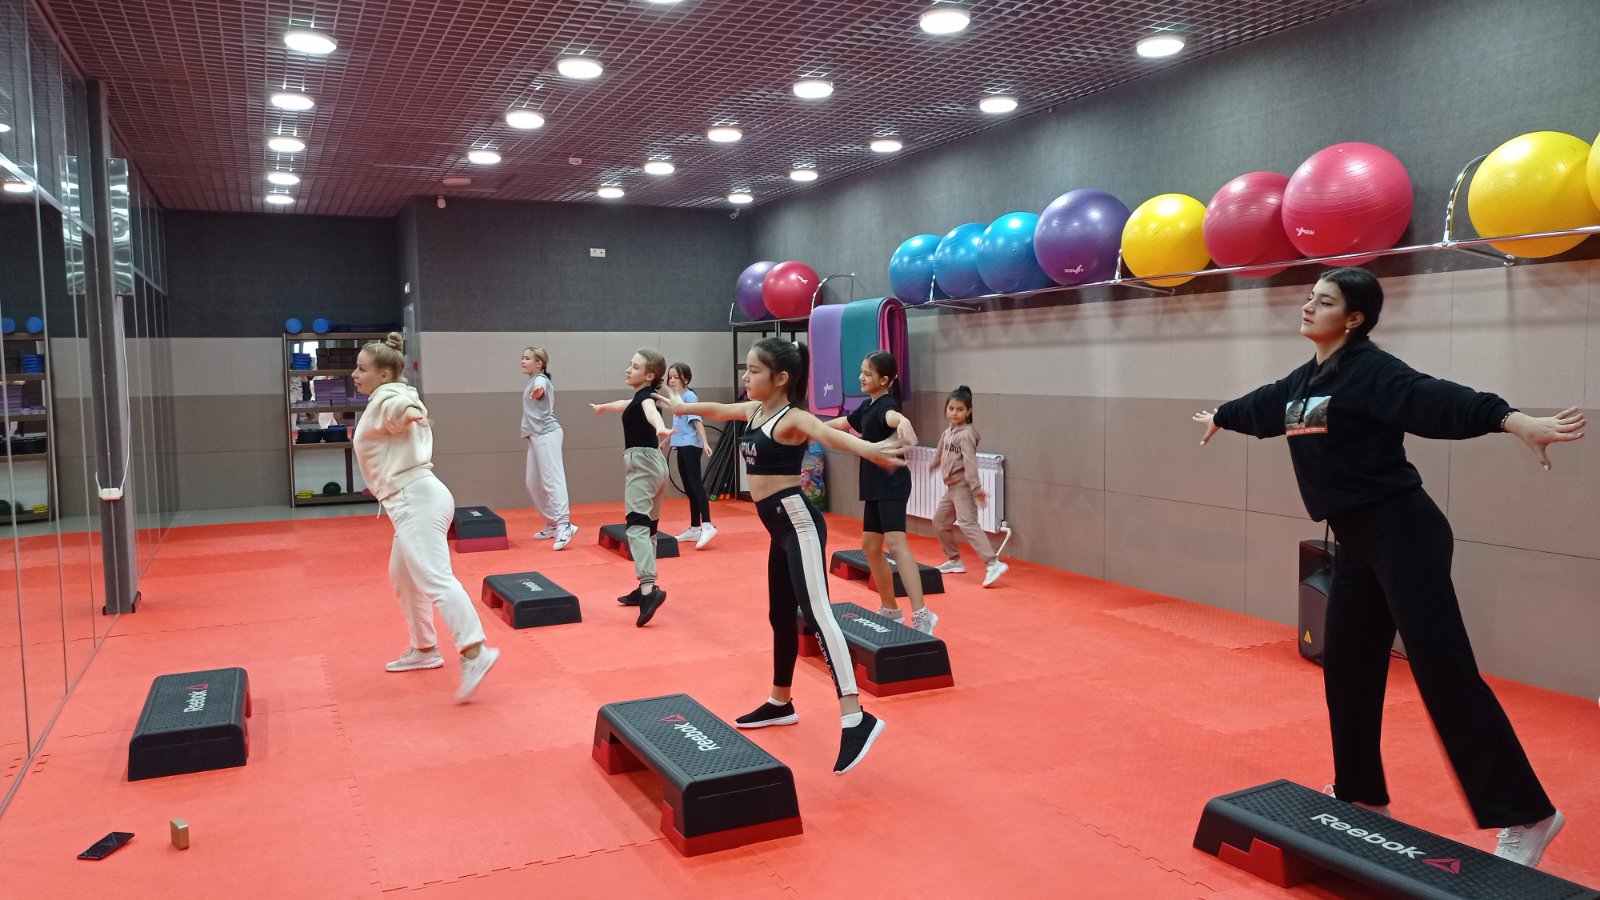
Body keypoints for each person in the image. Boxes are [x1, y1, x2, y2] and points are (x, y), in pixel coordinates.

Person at [1193, 267, 1581, 868]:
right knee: (1347, 666)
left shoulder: (1373, 373)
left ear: (1354, 318)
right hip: (1356, 542)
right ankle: (1361, 795)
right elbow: (1261, 406)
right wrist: (1221, 414)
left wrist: (1511, 420)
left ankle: (1527, 814)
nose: (1308, 306)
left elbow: (1437, 399)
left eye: (1324, 301)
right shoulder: (1303, 383)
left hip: (1405, 534)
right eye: (1310, 297)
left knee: (1443, 671)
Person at [655, 337, 905, 774]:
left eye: (754, 371)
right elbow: (718, 409)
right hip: (778, 528)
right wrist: (679, 406)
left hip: (799, 524)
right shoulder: (755, 410)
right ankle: (780, 701)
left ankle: (855, 716)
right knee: (779, 615)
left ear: (781, 378)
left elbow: (830, 435)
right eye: (747, 369)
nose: (746, 377)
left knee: (819, 615)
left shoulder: (792, 418)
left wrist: (870, 449)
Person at [351, 333, 500, 702]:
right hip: (418, 497)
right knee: (403, 576)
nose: (355, 374)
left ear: (384, 374)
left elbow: (398, 409)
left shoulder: (389, 397)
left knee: (435, 577)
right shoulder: (393, 392)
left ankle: (475, 650)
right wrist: (410, 410)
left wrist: (410, 414)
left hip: (415, 500)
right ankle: (424, 649)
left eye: (362, 369)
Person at [825, 351, 936, 634]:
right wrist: (810, 428)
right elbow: (843, 423)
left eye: (867, 374)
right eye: (861, 372)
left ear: (884, 380)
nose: (861, 377)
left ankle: (923, 614)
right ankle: (890, 608)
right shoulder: (867, 406)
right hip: (874, 483)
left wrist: (904, 424)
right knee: (871, 546)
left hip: (892, 483)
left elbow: (895, 418)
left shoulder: (886, 405)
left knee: (896, 544)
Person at [591, 349, 674, 626]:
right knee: (649, 529)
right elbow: (624, 404)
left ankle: (649, 589)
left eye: (635, 366)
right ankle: (644, 587)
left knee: (636, 527)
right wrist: (603, 407)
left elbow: (651, 413)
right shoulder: (640, 397)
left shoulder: (647, 399)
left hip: (642, 464)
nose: (628, 369)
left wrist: (661, 427)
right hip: (656, 464)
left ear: (649, 375)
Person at [931, 385, 1007, 587]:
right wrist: (933, 464)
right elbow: (940, 453)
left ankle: (993, 562)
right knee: (940, 522)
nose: (954, 413)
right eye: (951, 408)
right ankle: (954, 560)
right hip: (951, 489)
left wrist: (976, 489)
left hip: (963, 488)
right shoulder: (948, 432)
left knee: (967, 523)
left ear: (968, 411)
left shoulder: (967, 434)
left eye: (960, 409)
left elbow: (970, 464)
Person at [519, 346, 577, 550]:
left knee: (552, 480)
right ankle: (553, 523)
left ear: (539, 363)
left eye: (527, 358)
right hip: (535, 436)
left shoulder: (540, 380)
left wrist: (539, 390)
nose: (523, 361)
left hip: (546, 434)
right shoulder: (532, 380)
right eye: (522, 358)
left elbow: (541, 385)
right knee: (532, 483)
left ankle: (564, 524)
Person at [663, 362, 716, 549]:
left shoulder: (689, 396)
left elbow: (696, 421)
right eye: (670, 377)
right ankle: (695, 527)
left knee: (696, 485)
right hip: (681, 445)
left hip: (691, 446)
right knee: (688, 487)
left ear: (685, 378)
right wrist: (666, 441)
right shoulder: (677, 398)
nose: (672, 380)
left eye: (676, 377)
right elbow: (677, 425)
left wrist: (705, 443)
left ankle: (707, 525)